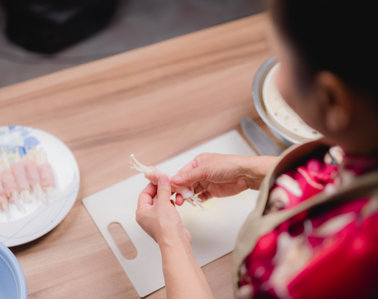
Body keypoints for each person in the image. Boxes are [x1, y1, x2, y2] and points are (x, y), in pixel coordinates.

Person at [135, 0, 378, 298]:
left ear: (333, 100)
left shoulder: (322, 274)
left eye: (282, 60)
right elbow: (337, 170)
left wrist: (171, 241)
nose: (275, 77)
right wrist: (249, 172)